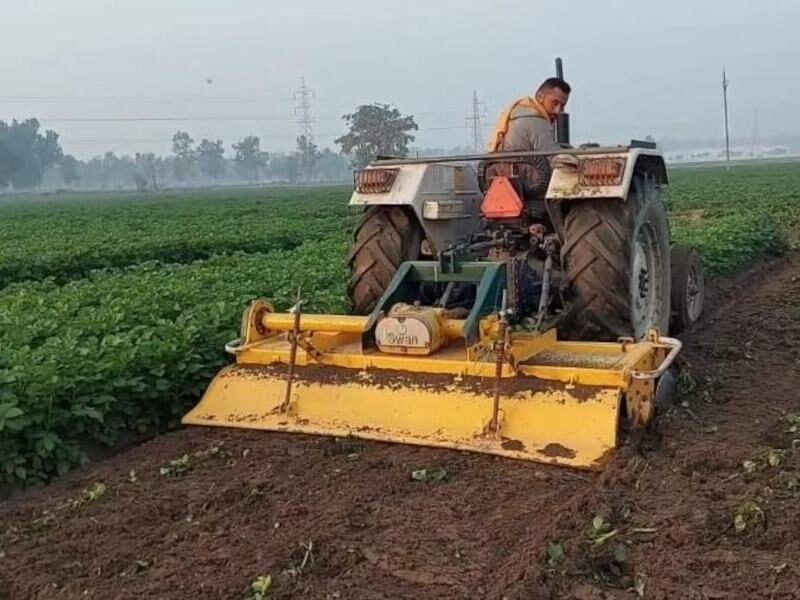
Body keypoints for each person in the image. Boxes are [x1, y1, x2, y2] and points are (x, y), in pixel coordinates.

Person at [487, 78, 571, 153]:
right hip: (520, 169)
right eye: (554, 103)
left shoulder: (517, 113)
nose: (558, 111)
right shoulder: (536, 120)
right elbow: (553, 158)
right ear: (540, 96)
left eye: (562, 106)